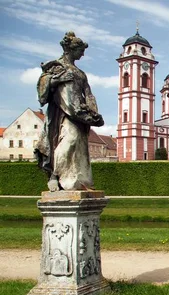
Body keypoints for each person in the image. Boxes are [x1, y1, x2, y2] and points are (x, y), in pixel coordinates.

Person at [35, 31, 104, 191]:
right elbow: (42, 91)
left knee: (80, 148)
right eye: (81, 51)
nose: (83, 54)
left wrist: (93, 113)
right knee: (69, 140)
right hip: (62, 114)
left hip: (80, 114)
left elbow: (88, 94)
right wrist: (55, 81)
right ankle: (54, 175)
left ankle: (79, 182)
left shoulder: (80, 73)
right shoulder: (56, 67)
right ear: (71, 49)